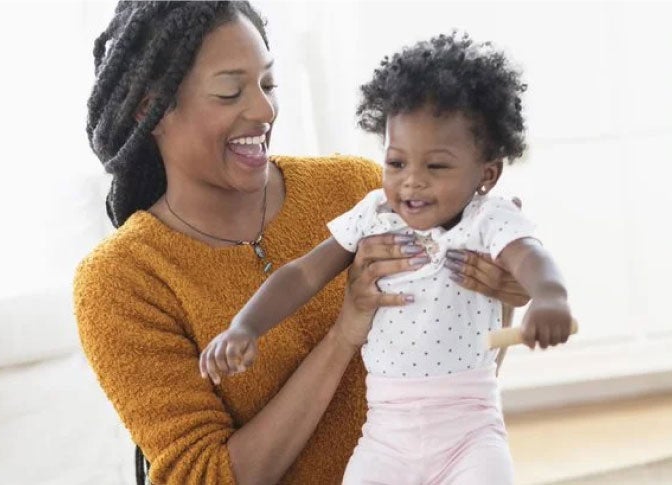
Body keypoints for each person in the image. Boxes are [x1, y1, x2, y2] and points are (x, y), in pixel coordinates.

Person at [75, 3, 530, 484]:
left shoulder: (357, 191)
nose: (264, 110)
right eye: (230, 92)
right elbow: (204, 477)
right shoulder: (121, 280)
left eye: (268, 85)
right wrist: (342, 335)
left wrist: (501, 297)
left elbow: (456, 382)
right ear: (151, 108)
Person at [199, 32, 573, 484]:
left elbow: (530, 256)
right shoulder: (374, 213)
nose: (411, 183)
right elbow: (301, 275)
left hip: (470, 431)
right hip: (385, 438)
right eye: (397, 163)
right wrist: (246, 326)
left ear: (486, 174)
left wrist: (550, 297)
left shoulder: (487, 219)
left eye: (435, 167)